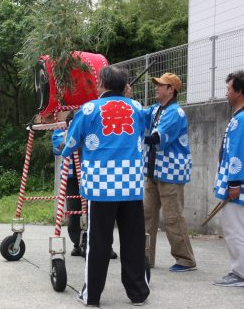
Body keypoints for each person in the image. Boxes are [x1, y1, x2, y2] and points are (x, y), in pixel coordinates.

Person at [62, 66, 150, 307]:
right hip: (131, 184)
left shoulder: (89, 109)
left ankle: (92, 296)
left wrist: (61, 140)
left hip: (101, 187)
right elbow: (146, 133)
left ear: (101, 84)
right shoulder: (137, 108)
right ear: (125, 86)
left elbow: (69, 143)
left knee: (98, 242)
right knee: (133, 240)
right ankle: (138, 293)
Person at [143, 73, 196, 272]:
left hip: (171, 172)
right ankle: (145, 257)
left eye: (160, 85)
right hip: (153, 171)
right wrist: (124, 98)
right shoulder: (156, 109)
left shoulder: (176, 112)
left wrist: (136, 138)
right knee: (146, 216)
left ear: (171, 90)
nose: (156, 87)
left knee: (173, 217)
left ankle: (185, 259)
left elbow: (157, 138)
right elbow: (139, 115)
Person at [52, 129, 118, 259]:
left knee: (99, 210)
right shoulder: (60, 127)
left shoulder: (92, 120)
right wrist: (70, 137)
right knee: (74, 209)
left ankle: (105, 245)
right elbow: (58, 147)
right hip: (71, 175)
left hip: (94, 172)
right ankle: (77, 243)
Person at [213, 70, 244, 287]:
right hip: (238, 183)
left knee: (235, 229)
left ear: (239, 92)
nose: (226, 94)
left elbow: (237, 151)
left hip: (237, 185)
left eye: (228, 89)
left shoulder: (241, 119)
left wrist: (234, 183)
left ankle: (240, 273)